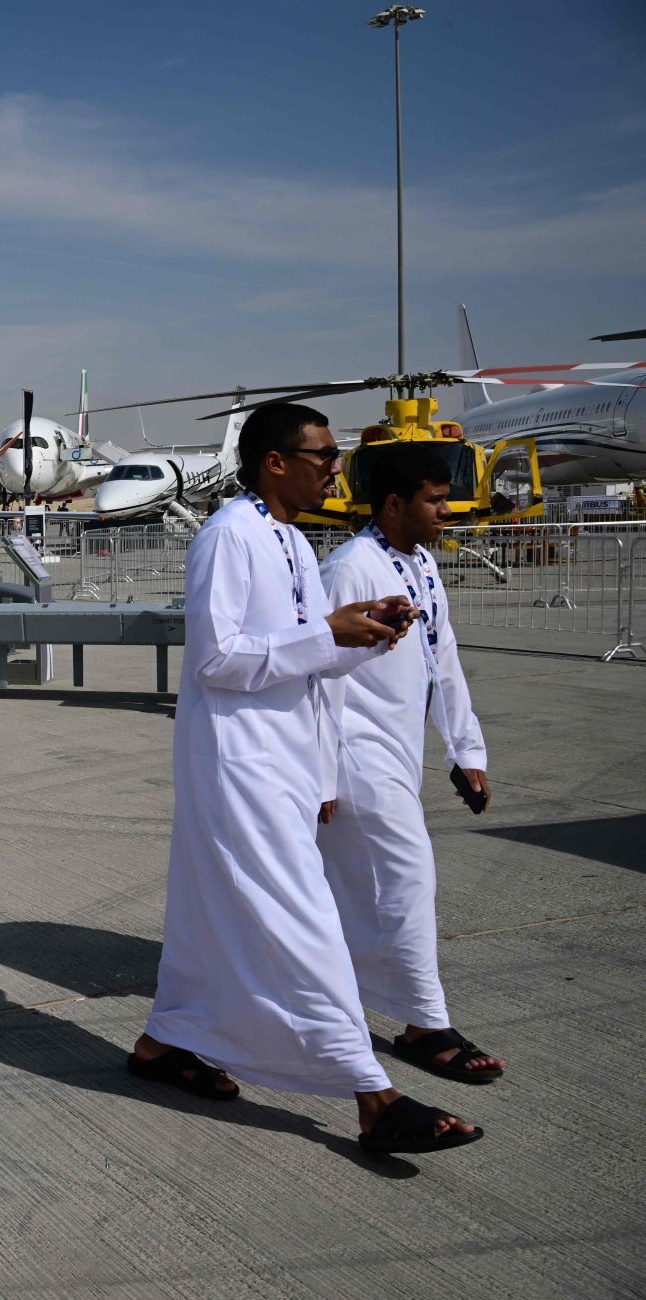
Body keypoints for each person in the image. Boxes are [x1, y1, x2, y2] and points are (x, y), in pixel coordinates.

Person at [129, 403, 485, 1156]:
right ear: (275, 462)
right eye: (322, 454)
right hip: (239, 759)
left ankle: (164, 1042)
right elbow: (217, 658)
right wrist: (329, 630)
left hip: (284, 757)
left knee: (204, 915)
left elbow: (304, 657)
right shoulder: (230, 535)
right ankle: (372, 1094)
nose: (335, 467)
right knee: (303, 920)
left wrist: (358, 630)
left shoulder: (290, 538)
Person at [317, 443, 501, 1084]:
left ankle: (312, 996)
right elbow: (318, 680)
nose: (446, 510)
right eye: (433, 499)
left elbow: (440, 661)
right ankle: (426, 1024)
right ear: (394, 504)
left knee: (350, 894)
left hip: (399, 753)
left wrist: (464, 750)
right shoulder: (349, 569)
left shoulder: (421, 563)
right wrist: (319, 773)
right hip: (354, 755)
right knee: (409, 879)